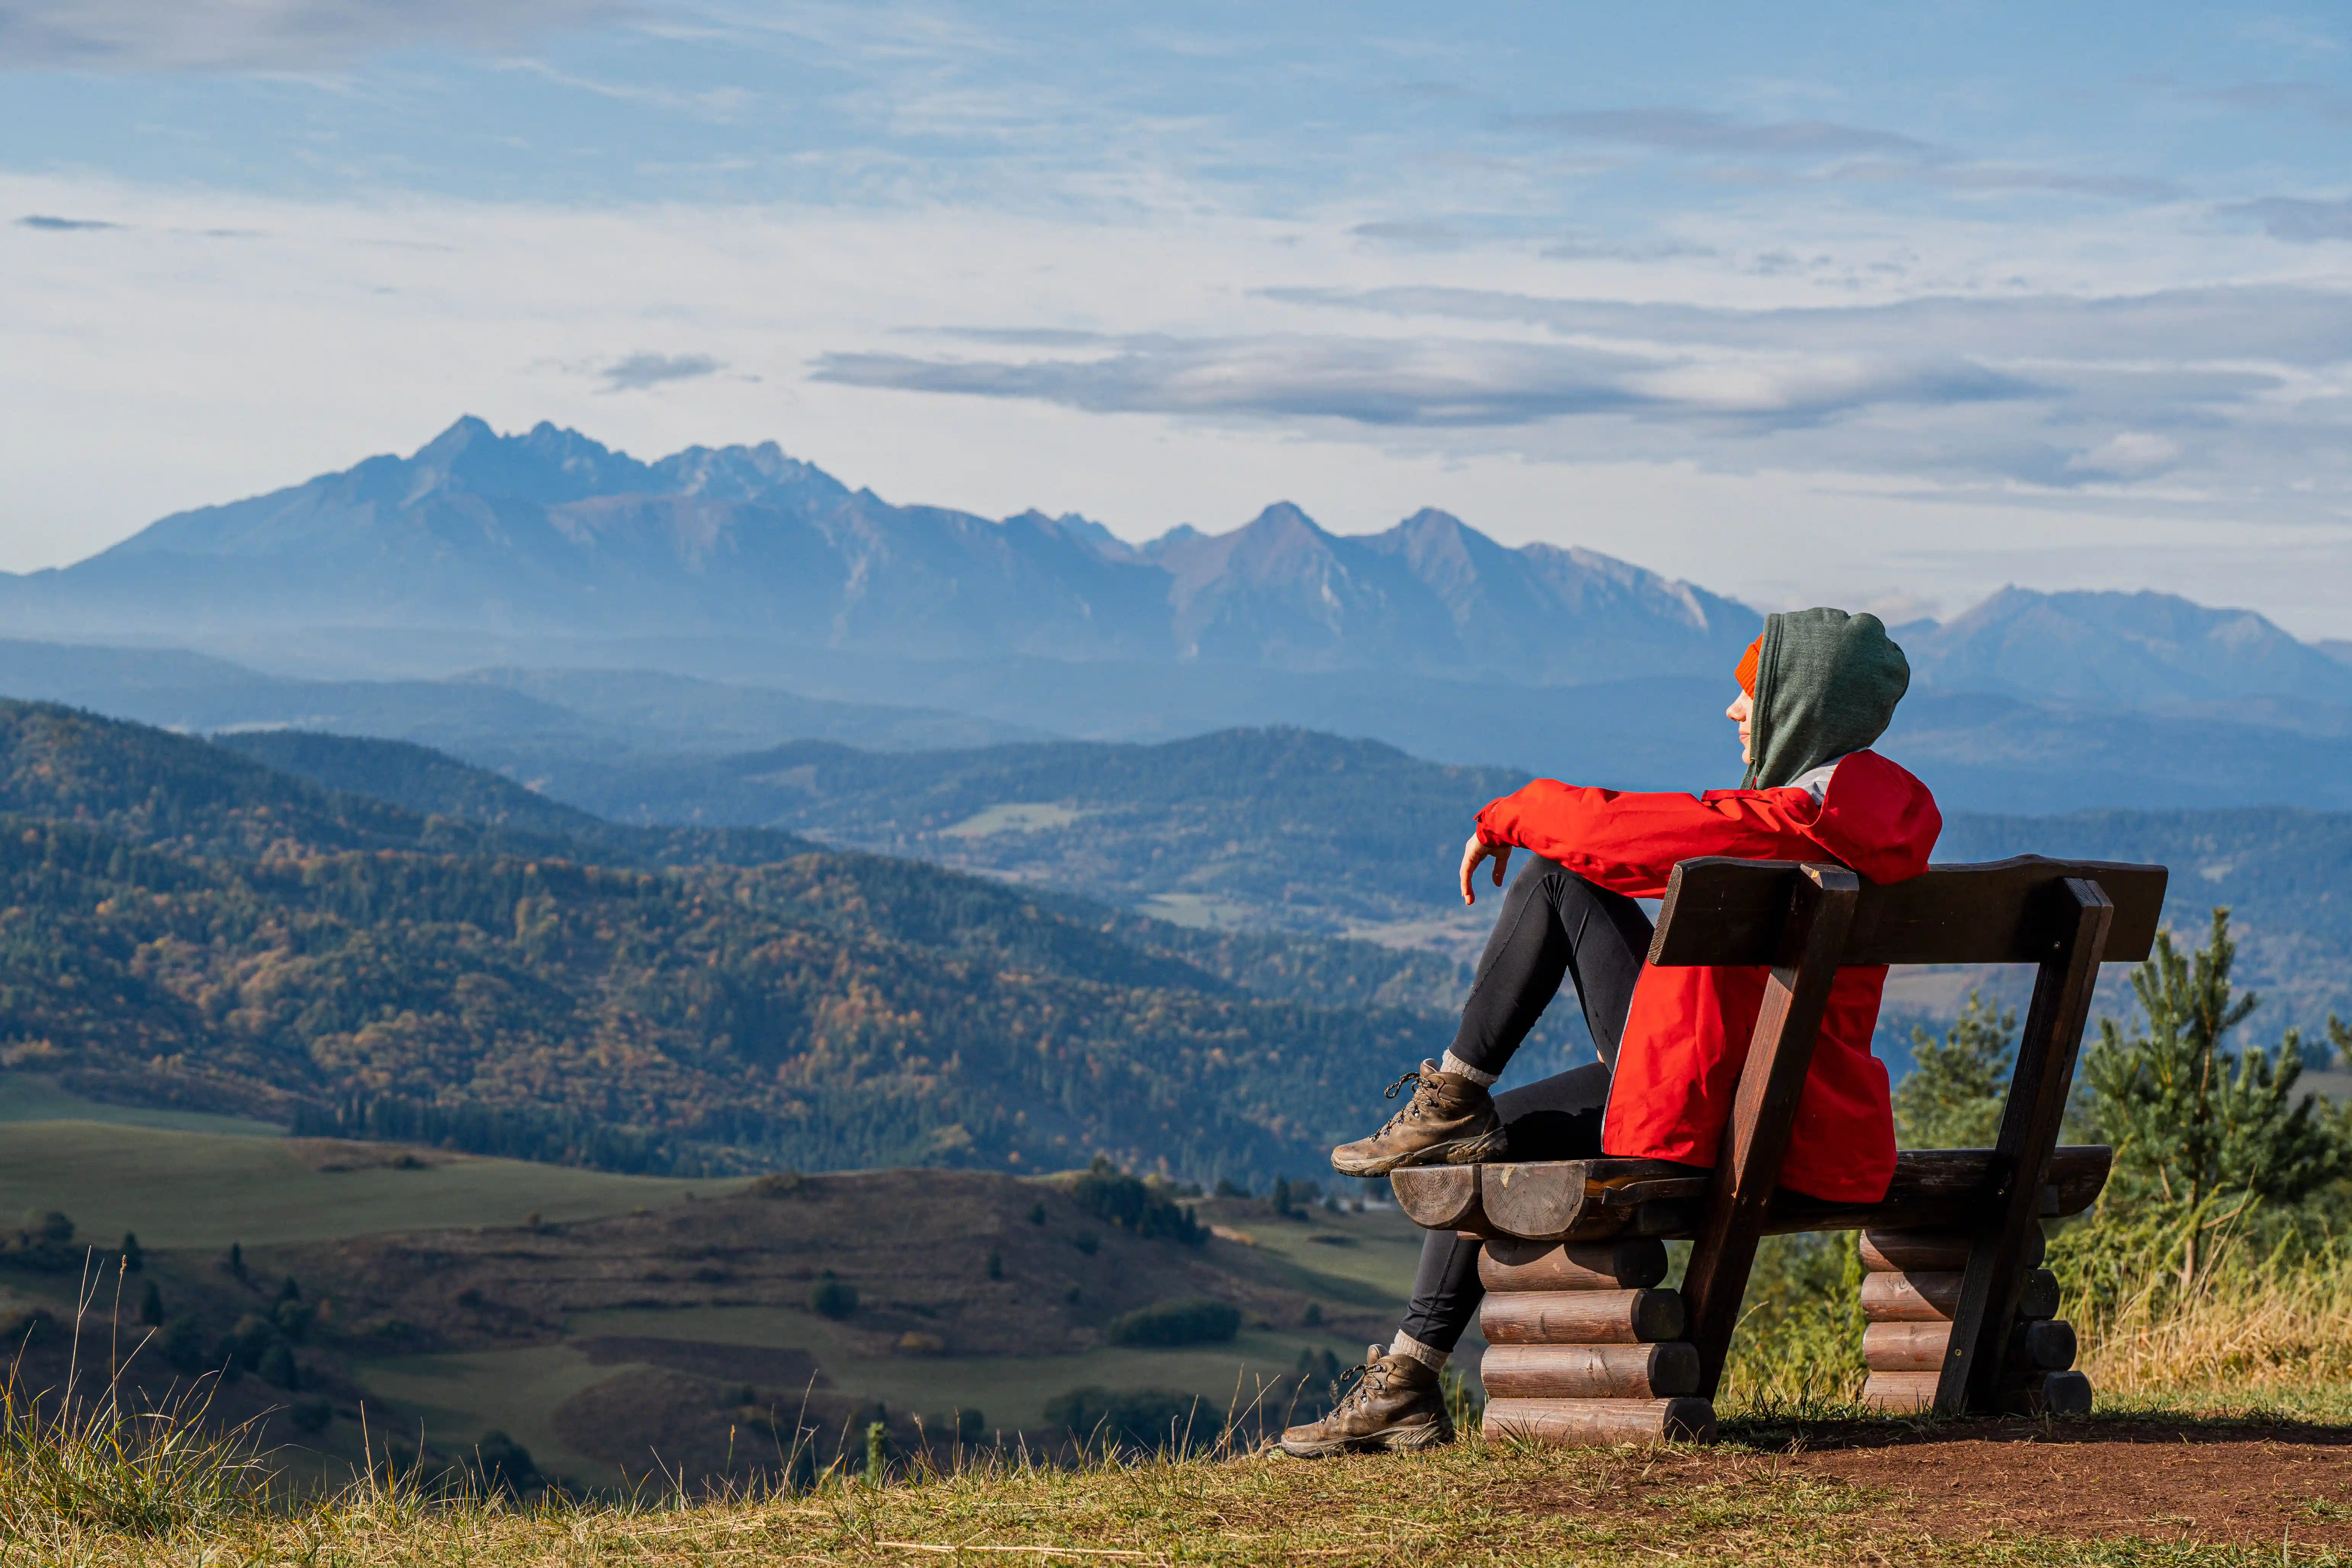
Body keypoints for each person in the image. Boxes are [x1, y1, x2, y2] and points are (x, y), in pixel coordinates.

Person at [1276, 608, 1941, 1458]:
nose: (1733, 714)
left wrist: (1503, 814)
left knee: (1550, 895)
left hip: (1719, 1107)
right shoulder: (1867, 819)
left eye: (1750, 696)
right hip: (1794, 1100)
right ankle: (1450, 1119)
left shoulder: (1779, 824)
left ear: (1798, 708)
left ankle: (1408, 1359)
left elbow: (1607, 834)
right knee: (1558, 896)